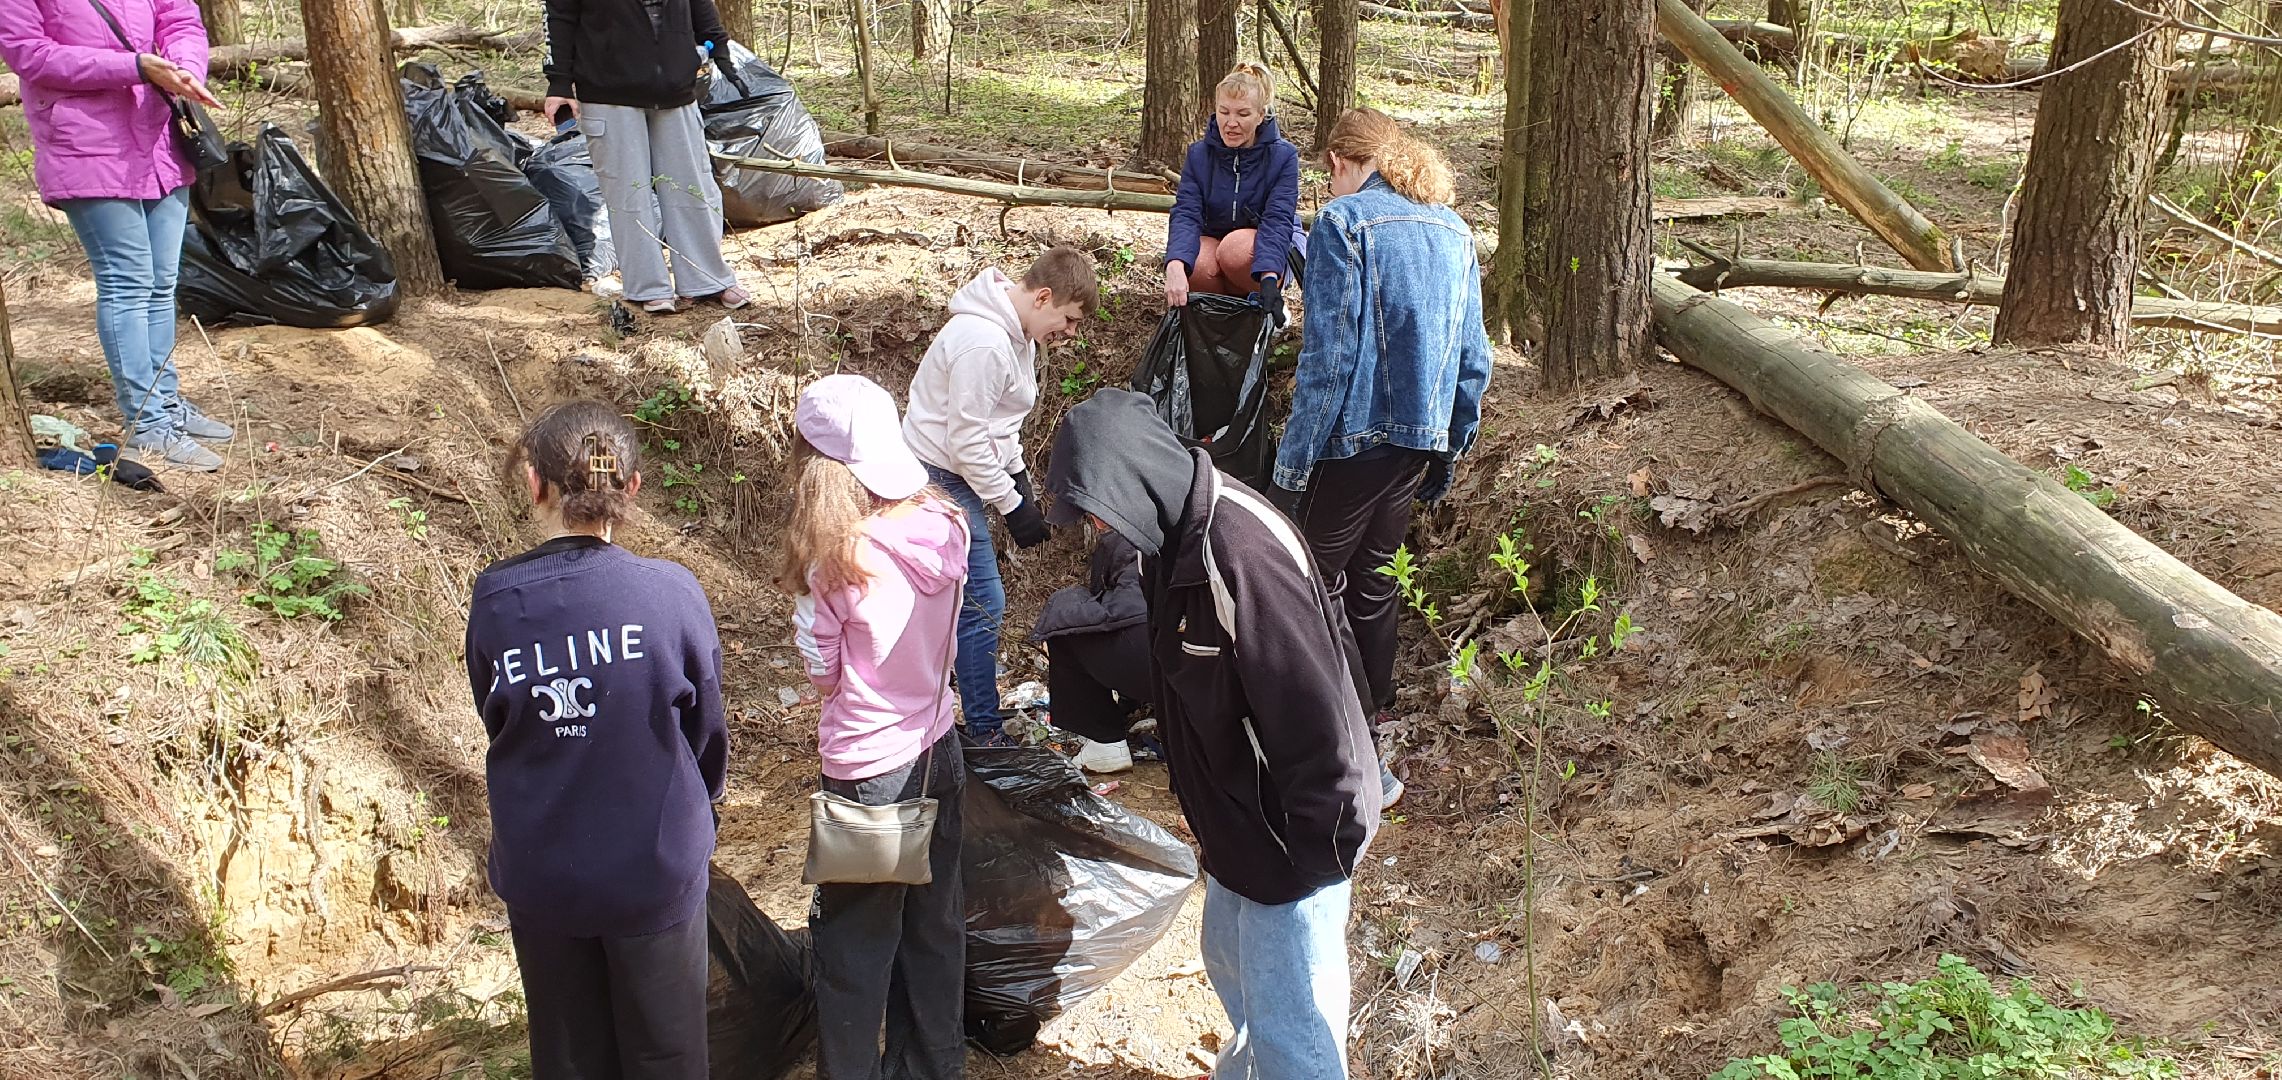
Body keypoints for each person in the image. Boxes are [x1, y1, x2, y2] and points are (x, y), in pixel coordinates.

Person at [1042, 390, 1380, 1080]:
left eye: (1097, 509)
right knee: (1230, 964)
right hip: (1236, 822)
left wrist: (1320, 846)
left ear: (1131, 477)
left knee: (1293, 1025)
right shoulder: (1165, 542)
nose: (1098, 527)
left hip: (1292, 832)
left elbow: (1316, 707)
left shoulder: (1242, 556)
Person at [464, 400, 727, 1080]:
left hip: (545, 871)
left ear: (535, 484)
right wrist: (700, 811)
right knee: (667, 1058)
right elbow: (707, 734)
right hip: (655, 868)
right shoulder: (669, 593)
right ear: (630, 487)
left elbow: (499, 720)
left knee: (571, 1059)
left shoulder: (496, 602)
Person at [1270, 108, 1494, 804]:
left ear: (1341, 162)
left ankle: (1346, 749)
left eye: (1328, 173)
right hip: (1415, 440)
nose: (1328, 186)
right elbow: (1474, 359)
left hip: (1353, 441)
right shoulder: (1453, 229)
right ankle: (1375, 724)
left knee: (1309, 586)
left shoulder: (1342, 224)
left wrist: (1291, 467)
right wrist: (1449, 447)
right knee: (1372, 581)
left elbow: (1329, 358)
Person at [785, 374, 970, 1080]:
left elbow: (823, 674)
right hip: (939, 749)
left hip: (869, 774)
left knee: (855, 943)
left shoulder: (836, 562)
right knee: (934, 924)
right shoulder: (946, 525)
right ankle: (933, 1065)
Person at [0, 0, 233, 471]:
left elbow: (180, 19)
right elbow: (29, 53)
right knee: (128, 283)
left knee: (162, 283)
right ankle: (147, 423)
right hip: (85, 145)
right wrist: (135, 67)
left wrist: (185, 69)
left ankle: (166, 404)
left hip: (161, 139)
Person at [902, 246, 1098, 747]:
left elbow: (999, 424)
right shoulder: (984, 343)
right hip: (936, 475)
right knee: (982, 602)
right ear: (1044, 297)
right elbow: (966, 442)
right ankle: (983, 731)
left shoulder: (1018, 335)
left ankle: (947, 710)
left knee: (960, 600)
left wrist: (1018, 475)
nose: (1070, 333)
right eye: (1069, 319)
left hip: (959, 471)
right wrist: (1011, 506)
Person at [542, 0, 751, 314]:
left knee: (692, 188)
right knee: (629, 193)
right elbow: (559, 15)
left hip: (675, 88)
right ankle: (648, 288)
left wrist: (718, 44)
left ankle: (707, 280)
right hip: (607, 91)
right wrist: (558, 82)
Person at [1164, 63, 1302, 322]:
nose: (1231, 123)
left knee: (1234, 250)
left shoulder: (1283, 156)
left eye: (1243, 114)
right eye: (1224, 112)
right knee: (1196, 264)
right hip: (1215, 242)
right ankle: (1226, 317)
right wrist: (1175, 264)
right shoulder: (1198, 154)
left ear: (1260, 115)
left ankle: (1265, 305)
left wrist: (1269, 278)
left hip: (1264, 248)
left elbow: (1277, 219)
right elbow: (1186, 213)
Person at [1031, 524, 1154, 773]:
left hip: (1152, 659)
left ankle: (1105, 741)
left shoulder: (1119, 539)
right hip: (1214, 669)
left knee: (1067, 624)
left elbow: (1108, 610)